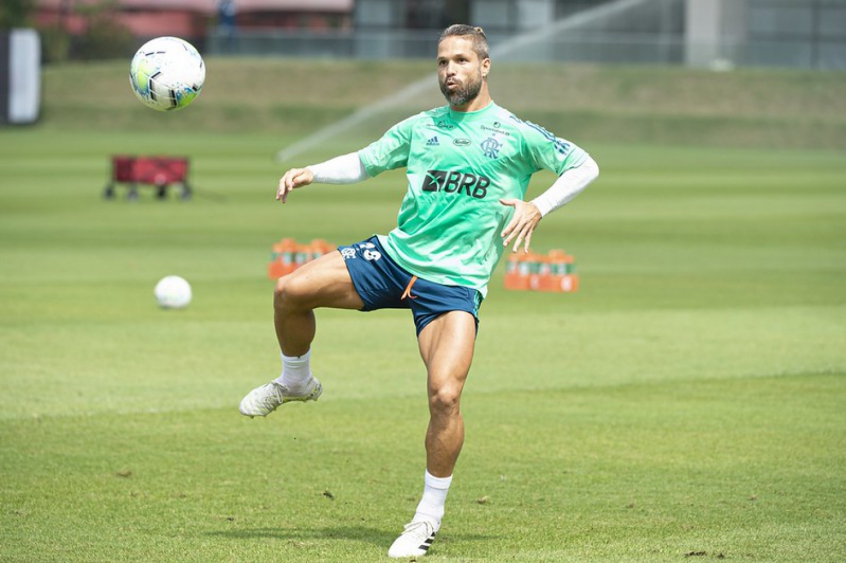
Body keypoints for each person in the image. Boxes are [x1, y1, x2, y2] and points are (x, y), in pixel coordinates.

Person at [239, 24, 599, 558]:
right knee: (290, 290)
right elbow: (367, 160)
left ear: (484, 66)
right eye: (441, 63)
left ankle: (426, 519)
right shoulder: (421, 127)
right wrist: (311, 171)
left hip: (452, 285)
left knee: (445, 395)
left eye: (459, 61)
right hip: (393, 258)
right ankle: (296, 382)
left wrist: (537, 205)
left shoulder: (515, 133)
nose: (449, 71)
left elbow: (584, 164)